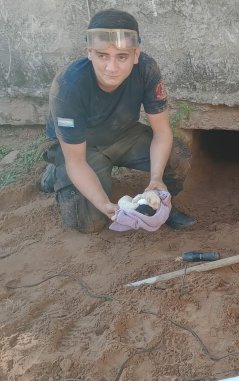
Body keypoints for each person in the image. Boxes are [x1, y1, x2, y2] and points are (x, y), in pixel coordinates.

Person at [41, 8, 196, 233]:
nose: (111, 67)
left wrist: (156, 179)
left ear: (135, 55)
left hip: (124, 134)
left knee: (178, 156)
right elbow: (76, 161)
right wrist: (105, 206)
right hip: (82, 145)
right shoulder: (68, 86)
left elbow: (162, 133)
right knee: (89, 223)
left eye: (122, 56)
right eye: (102, 55)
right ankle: (55, 169)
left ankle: (159, 205)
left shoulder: (146, 69)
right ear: (89, 53)